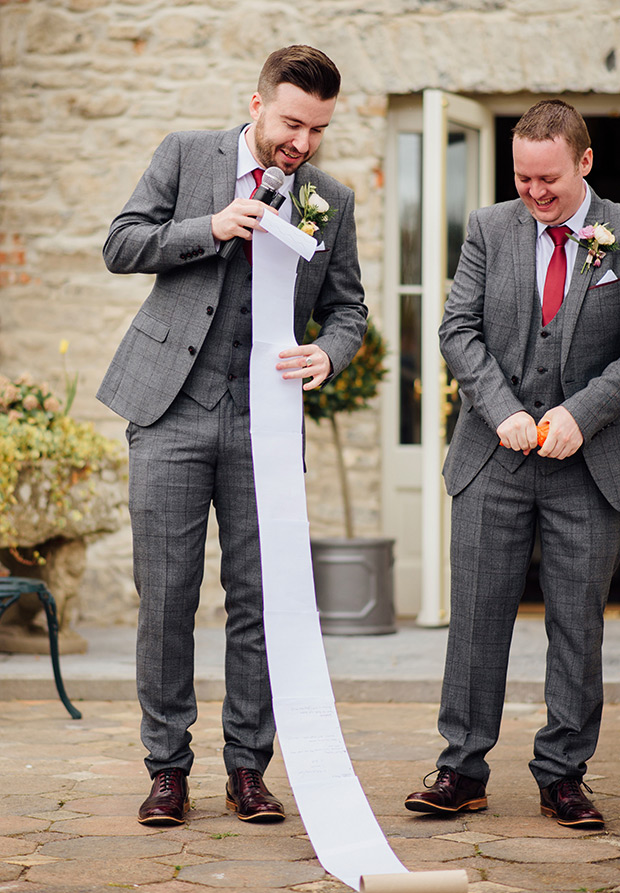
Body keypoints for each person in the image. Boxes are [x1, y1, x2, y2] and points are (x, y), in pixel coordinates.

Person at [98, 46, 367, 827]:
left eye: (317, 129)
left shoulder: (331, 198)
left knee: (261, 598)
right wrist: (208, 227)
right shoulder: (186, 154)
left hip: (266, 422)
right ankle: (167, 768)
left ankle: (249, 768)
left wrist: (330, 350)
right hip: (169, 407)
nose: (303, 144)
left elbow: (348, 308)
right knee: (167, 595)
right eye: (291, 123)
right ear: (255, 105)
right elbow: (121, 243)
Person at [405, 100, 620, 829]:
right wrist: (503, 409)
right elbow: (456, 328)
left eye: (549, 180)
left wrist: (581, 414)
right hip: (490, 458)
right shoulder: (489, 229)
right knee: (475, 616)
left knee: (577, 625)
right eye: (523, 178)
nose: (534, 193)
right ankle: (461, 767)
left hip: (587, 466)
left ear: (585, 162)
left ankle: (564, 773)